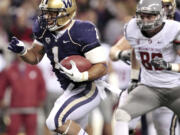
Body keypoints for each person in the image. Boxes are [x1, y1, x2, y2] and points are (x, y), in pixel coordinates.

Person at [7, 0, 108, 134]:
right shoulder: (43, 28)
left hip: (89, 87)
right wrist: (23, 51)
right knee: (71, 129)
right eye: (46, 12)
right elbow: (35, 57)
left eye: (52, 13)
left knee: (54, 121)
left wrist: (83, 75)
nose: (47, 17)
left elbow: (102, 67)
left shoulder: (82, 30)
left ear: (66, 13)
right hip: (69, 89)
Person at [113, 0, 180, 135]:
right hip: (149, 87)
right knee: (121, 114)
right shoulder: (132, 28)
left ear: (161, 15)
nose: (145, 20)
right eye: (142, 16)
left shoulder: (174, 29)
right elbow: (135, 52)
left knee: (165, 130)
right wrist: (133, 78)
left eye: (149, 16)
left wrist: (169, 66)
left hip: (175, 88)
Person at [0, 56, 46, 135]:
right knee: (12, 130)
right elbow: (2, 85)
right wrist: (1, 98)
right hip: (15, 107)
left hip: (31, 107)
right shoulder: (10, 69)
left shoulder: (36, 69)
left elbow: (42, 86)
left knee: (31, 131)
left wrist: (41, 99)